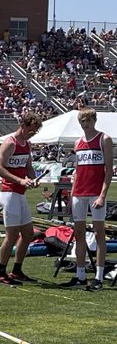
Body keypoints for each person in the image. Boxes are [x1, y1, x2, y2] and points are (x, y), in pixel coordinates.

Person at [61, 108, 113, 291]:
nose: (86, 124)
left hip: (96, 194)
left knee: (99, 235)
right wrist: (71, 196)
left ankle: (98, 277)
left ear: (94, 121)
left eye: (89, 120)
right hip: (79, 194)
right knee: (79, 234)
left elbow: (109, 170)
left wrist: (102, 195)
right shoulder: (78, 143)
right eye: (83, 121)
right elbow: (78, 170)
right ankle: (80, 276)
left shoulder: (104, 139)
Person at [0, 112, 42, 286]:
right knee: (11, 235)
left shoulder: (26, 145)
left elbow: (28, 167)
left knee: (28, 234)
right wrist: (20, 180)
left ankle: (17, 270)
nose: (32, 134)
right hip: (9, 192)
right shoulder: (10, 143)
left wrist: (33, 178)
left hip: (20, 193)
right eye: (31, 130)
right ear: (24, 125)